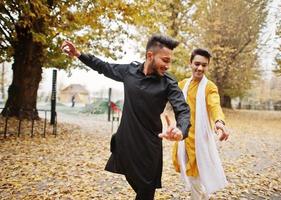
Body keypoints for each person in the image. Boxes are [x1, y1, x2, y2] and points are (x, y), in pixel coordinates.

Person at [61, 35, 191, 200]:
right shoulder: (130, 71)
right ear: (150, 56)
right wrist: (79, 54)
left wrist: (181, 129)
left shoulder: (168, 83)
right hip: (125, 144)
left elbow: (183, 110)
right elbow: (104, 67)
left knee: (146, 192)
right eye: (164, 60)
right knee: (139, 188)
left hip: (149, 149)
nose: (167, 65)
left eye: (169, 61)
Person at [172, 48, 229, 200]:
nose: (200, 68)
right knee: (193, 180)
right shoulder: (182, 84)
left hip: (199, 142)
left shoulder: (209, 87)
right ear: (190, 63)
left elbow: (214, 104)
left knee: (195, 179)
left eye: (204, 65)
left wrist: (219, 121)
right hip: (182, 139)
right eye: (197, 64)